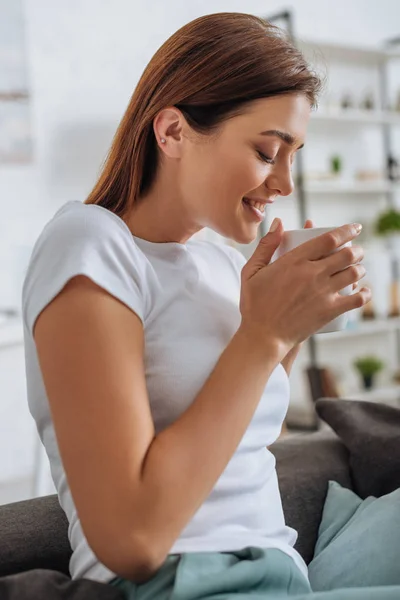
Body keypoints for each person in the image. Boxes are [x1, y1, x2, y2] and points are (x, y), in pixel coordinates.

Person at [21, 11, 397, 600]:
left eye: (294, 153)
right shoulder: (91, 243)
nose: (284, 183)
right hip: (189, 583)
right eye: (268, 151)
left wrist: (291, 326)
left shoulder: (224, 264)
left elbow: (237, 449)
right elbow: (133, 540)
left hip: (284, 569)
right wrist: (263, 337)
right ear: (171, 133)